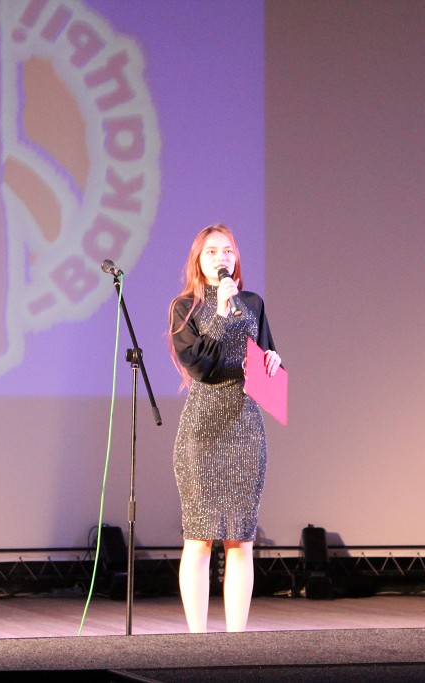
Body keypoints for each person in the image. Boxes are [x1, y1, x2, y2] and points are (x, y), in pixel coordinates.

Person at [168, 224, 282, 633]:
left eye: (228, 250)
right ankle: (198, 641)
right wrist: (218, 311)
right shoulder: (185, 307)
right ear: (198, 260)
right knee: (200, 539)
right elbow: (200, 366)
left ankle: (237, 641)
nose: (222, 257)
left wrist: (273, 362)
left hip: (246, 426)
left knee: (241, 539)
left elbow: (265, 356)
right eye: (212, 251)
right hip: (202, 430)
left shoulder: (252, 303)